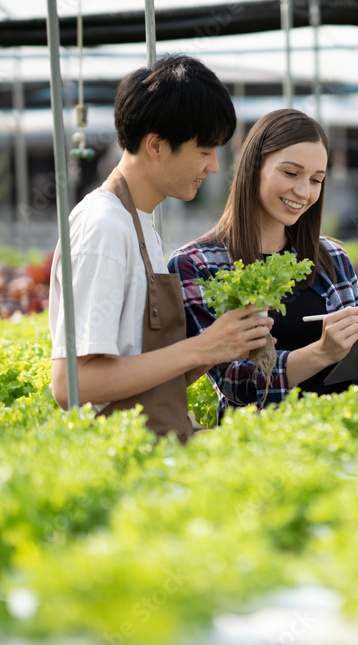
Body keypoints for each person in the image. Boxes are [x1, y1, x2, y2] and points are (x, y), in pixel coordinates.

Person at [48, 54, 273, 443]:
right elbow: (72, 384)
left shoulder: (140, 225)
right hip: (126, 454)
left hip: (162, 439)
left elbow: (146, 373)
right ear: (155, 145)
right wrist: (202, 347)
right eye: (204, 151)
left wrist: (223, 344)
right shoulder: (104, 227)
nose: (214, 167)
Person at [170, 108, 358, 420]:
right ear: (253, 167)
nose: (304, 192)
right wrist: (321, 353)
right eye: (291, 173)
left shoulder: (332, 258)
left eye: (316, 180)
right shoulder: (196, 264)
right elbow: (234, 383)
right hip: (260, 449)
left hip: (343, 440)